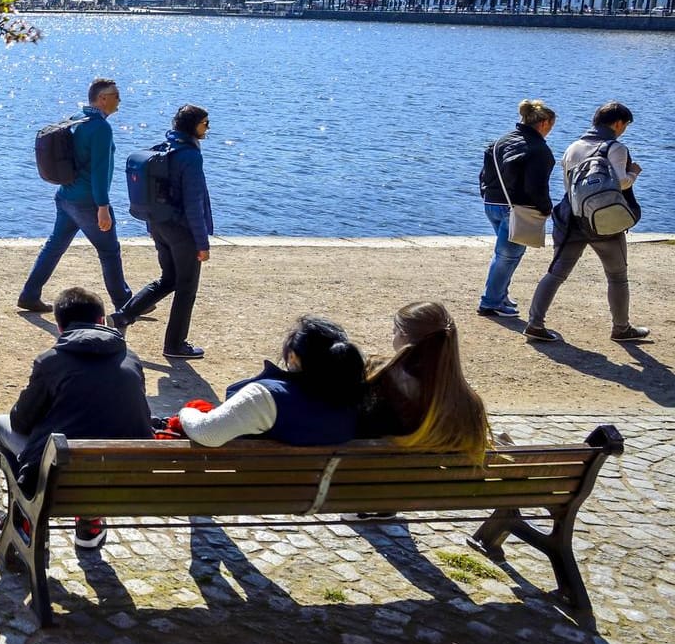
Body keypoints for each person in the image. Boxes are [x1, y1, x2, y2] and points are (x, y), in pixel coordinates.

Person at [0, 287, 152, 550]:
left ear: (60, 327)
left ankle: (25, 521)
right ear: (101, 321)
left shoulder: (51, 362)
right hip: (127, 479)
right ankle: (89, 524)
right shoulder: (130, 359)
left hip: (61, 475)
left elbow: (20, 423)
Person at [525, 101, 648, 343]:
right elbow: (621, 183)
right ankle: (621, 329)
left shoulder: (574, 146)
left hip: (570, 218)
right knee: (617, 276)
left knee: (556, 272)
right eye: (625, 125)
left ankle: (534, 323)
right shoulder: (616, 148)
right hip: (604, 221)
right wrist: (634, 172)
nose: (624, 130)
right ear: (618, 123)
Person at [19, 78, 132, 315]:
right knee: (109, 251)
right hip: (88, 201)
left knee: (54, 246)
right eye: (116, 96)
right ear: (103, 98)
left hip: (65, 196)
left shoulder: (76, 118)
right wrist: (103, 206)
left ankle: (30, 294)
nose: (119, 101)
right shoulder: (100, 128)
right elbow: (100, 169)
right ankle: (125, 304)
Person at [110, 104, 214, 359]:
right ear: (193, 126)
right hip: (182, 231)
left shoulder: (163, 149)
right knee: (186, 287)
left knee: (169, 279)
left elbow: (154, 195)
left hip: (160, 225)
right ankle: (175, 345)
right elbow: (193, 203)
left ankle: (124, 315)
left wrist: (151, 226)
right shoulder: (190, 156)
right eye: (204, 122)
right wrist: (202, 243)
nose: (208, 127)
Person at [175, 316, 366, 447]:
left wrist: (187, 412)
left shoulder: (265, 398)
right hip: (326, 493)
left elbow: (207, 433)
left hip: (262, 493)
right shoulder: (354, 400)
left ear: (293, 358)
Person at [358, 301, 490, 460]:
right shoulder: (470, 403)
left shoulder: (379, 380)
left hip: (383, 477)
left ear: (403, 334)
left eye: (395, 331)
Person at [478, 99, 556, 318]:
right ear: (544, 123)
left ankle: (499, 294)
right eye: (552, 125)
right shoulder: (539, 149)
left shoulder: (502, 140)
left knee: (506, 254)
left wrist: (486, 193)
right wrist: (545, 207)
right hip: (516, 208)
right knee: (507, 256)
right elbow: (536, 186)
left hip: (492, 203)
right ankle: (490, 302)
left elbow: (484, 172)